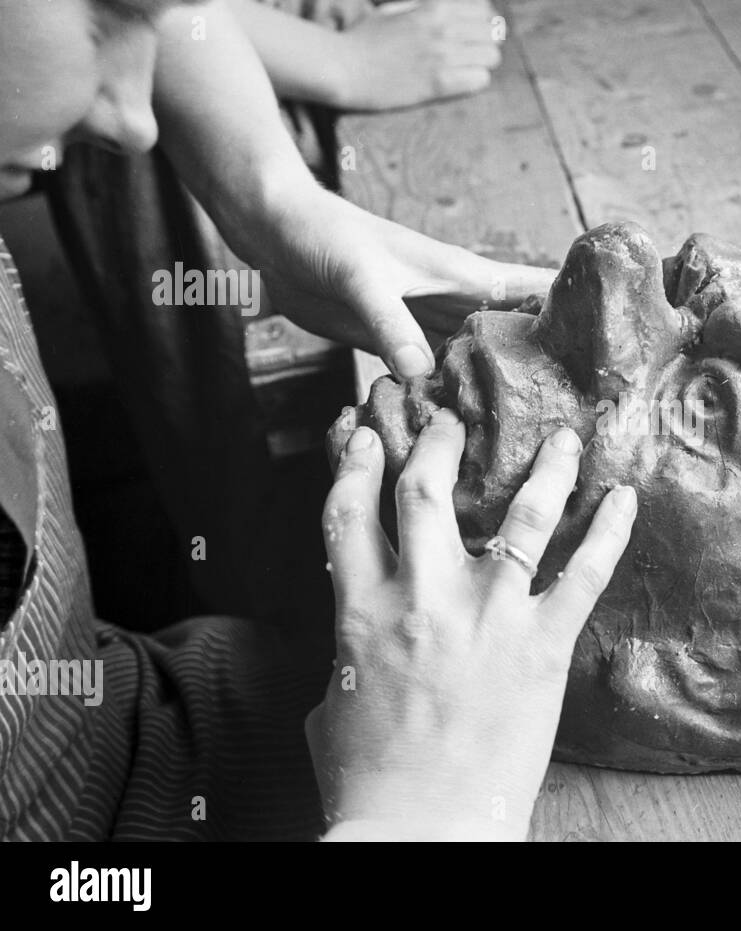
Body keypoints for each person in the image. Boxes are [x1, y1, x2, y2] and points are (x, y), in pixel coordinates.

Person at [0, 0, 636, 840]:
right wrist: (423, 808)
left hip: (116, 711)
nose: (138, 122)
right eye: (98, 27)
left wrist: (270, 198)